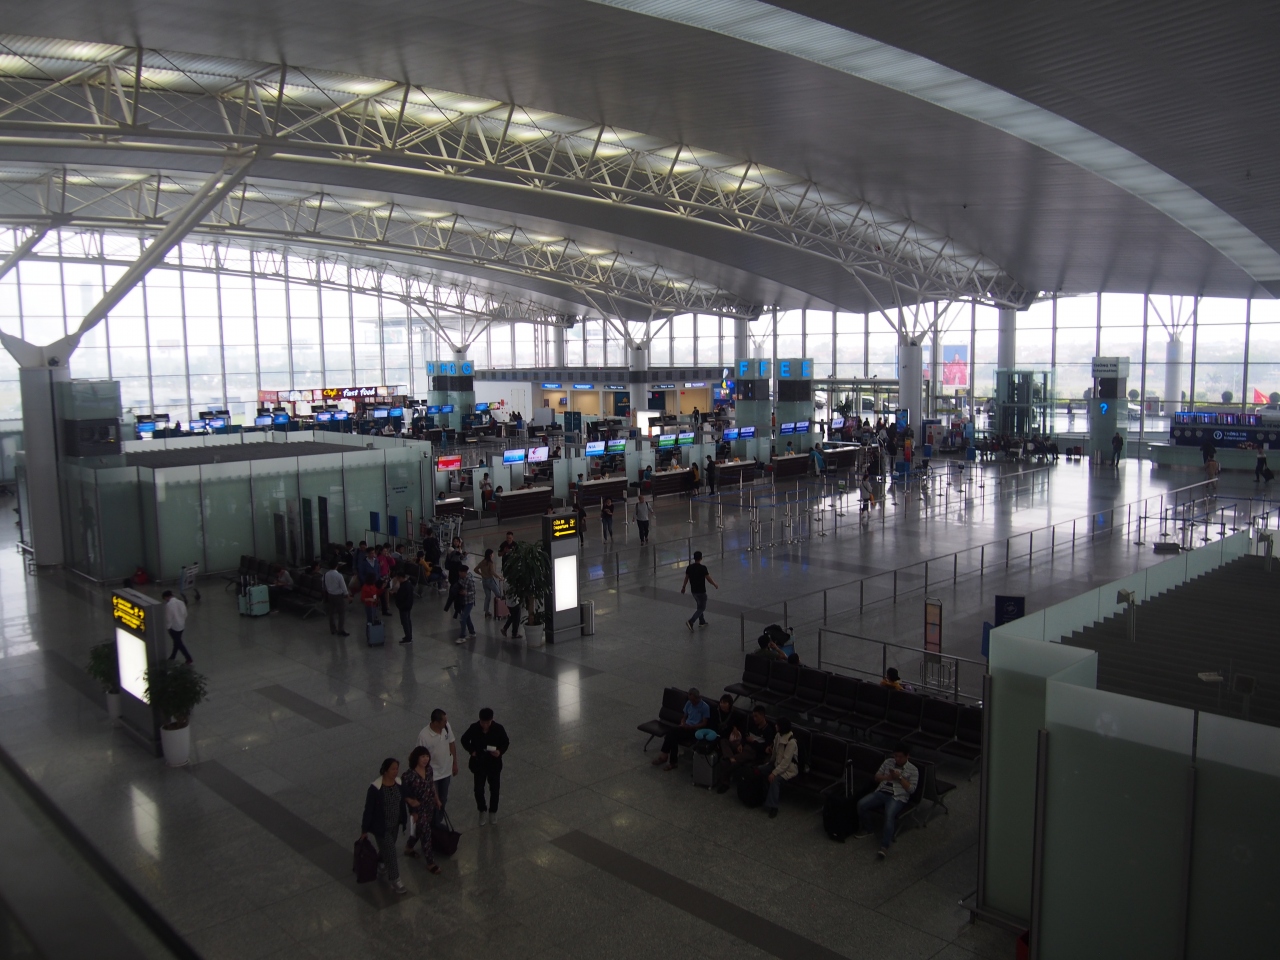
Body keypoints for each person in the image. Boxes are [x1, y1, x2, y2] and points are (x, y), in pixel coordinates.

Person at [855, 745, 919, 859]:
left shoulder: (913, 770)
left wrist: (900, 778)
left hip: (897, 797)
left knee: (889, 815)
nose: (897, 759)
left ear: (907, 756)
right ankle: (868, 829)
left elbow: (911, 790)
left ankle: (884, 846)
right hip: (882, 792)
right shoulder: (888, 762)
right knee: (861, 804)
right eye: (895, 756)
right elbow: (876, 777)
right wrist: (887, 778)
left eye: (900, 757)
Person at [360, 758, 409, 894]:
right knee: (391, 852)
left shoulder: (399, 784)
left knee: (387, 848)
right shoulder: (375, 789)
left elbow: (407, 797)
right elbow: (368, 810)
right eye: (393, 769)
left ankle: (381, 863)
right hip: (381, 828)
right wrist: (364, 829)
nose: (395, 771)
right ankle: (395, 880)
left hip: (395, 825)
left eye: (397, 769)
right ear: (385, 770)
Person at [460, 707, 510, 825]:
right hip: (479, 764)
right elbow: (464, 739)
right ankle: (482, 809)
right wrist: (472, 751)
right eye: (483, 722)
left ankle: (493, 811)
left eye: (488, 723)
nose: (485, 725)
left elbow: (506, 742)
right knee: (478, 789)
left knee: (495, 789)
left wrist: (499, 751)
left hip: (494, 764)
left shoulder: (498, 729)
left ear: (492, 720)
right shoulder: (474, 728)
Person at [399, 746, 441, 874]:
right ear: (416, 758)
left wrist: (436, 799)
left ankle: (409, 847)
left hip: (429, 806)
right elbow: (404, 794)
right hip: (418, 809)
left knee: (420, 830)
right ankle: (430, 863)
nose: (425, 759)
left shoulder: (429, 770)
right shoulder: (408, 776)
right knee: (426, 833)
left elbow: (431, 786)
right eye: (422, 756)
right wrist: (413, 810)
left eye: (427, 756)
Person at [716, 705, 775, 793]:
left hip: (752, 751)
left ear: (763, 716)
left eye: (756, 716)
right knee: (724, 741)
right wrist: (741, 744)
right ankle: (731, 757)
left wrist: (753, 741)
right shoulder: (753, 725)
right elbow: (746, 737)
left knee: (724, 761)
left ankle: (725, 782)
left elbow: (764, 749)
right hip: (744, 747)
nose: (754, 719)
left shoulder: (769, 731)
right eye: (753, 716)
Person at [652, 688, 710, 771]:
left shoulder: (705, 707)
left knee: (672, 733)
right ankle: (672, 762)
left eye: (693, 700)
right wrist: (683, 722)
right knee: (673, 737)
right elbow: (684, 716)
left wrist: (691, 727)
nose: (692, 702)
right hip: (686, 727)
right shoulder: (689, 703)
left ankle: (665, 756)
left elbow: (704, 723)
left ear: (698, 698)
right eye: (690, 700)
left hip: (695, 730)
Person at [417, 709, 458, 826]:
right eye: (444, 721)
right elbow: (418, 756)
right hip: (432, 775)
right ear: (435, 722)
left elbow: (451, 743)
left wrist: (454, 763)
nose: (446, 723)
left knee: (443, 799)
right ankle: (433, 824)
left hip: (446, 771)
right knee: (434, 800)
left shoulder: (446, 727)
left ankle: (437, 822)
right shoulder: (424, 736)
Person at [762, 717, 799, 819]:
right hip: (777, 765)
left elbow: (786, 763)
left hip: (789, 769)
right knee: (761, 770)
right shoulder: (778, 736)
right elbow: (775, 752)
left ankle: (773, 807)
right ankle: (763, 795)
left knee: (775, 780)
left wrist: (774, 772)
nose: (775, 726)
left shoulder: (791, 742)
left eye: (777, 725)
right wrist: (769, 763)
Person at [680, 550, 719, 632]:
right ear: (701, 558)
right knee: (702, 608)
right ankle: (691, 621)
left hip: (693, 591)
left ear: (694, 558)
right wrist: (714, 584)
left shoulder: (689, 567)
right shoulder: (703, 568)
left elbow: (686, 578)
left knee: (699, 605)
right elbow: (708, 578)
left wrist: (683, 587)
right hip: (701, 591)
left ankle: (702, 621)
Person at [161, 590, 193, 664]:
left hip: (174, 627)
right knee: (176, 642)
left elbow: (169, 618)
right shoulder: (181, 602)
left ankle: (188, 658)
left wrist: (168, 627)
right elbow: (185, 614)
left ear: (166, 597)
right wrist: (182, 620)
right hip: (181, 626)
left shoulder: (169, 605)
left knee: (179, 643)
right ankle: (173, 656)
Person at [323, 559, 350, 636]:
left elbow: (324, 585)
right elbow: (343, 587)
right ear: (337, 566)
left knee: (331, 613)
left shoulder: (326, 574)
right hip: (338, 596)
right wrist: (347, 595)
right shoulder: (339, 575)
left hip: (330, 595)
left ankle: (333, 629)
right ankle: (340, 630)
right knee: (341, 613)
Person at [455, 564, 477, 644]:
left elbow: (474, 591)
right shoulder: (460, 579)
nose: (459, 574)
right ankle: (472, 632)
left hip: (469, 602)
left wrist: (466, 593)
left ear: (465, 572)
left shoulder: (470, 580)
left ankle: (462, 636)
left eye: (461, 573)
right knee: (467, 617)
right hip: (462, 601)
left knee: (462, 618)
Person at [392, 571, 414, 644]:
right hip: (408, 605)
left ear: (401, 578)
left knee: (405, 622)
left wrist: (394, 594)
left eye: (398, 578)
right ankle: (409, 635)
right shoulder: (409, 584)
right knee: (408, 621)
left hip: (403, 606)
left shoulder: (403, 587)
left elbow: (400, 597)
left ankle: (408, 638)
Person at [477, 549, 500, 618]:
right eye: (492, 554)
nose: (493, 555)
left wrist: (481, 574)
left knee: (488, 596)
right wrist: (499, 577)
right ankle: (500, 610)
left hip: (484, 580)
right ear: (490, 555)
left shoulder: (482, 562)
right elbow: (492, 572)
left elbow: (475, 569)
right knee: (498, 594)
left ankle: (486, 612)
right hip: (490, 580)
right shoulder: (490, 563)